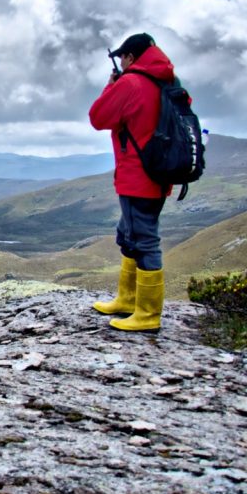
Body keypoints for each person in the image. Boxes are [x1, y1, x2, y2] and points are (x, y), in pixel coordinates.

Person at [89, 32, 175, 331]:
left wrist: (111, 84)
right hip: (158, 173)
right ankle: (128, 299)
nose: (121, 62)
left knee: (143, 240)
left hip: (138, 176)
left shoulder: (131, 83)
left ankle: (148, 316)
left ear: (130, 57)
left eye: (122, 57)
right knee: (129, 234)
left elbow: (99, 117)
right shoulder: (167, 83)